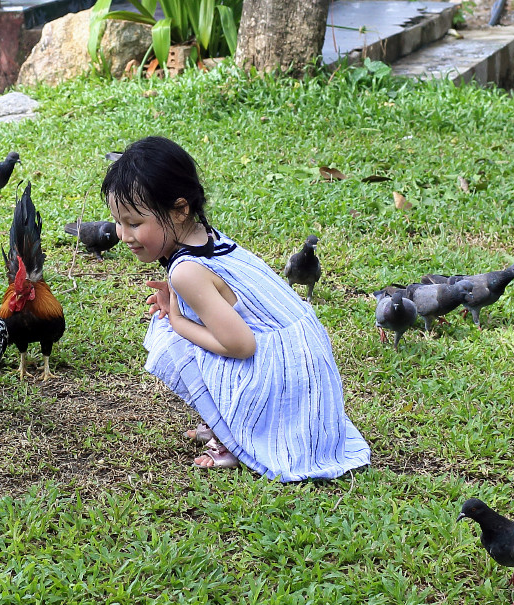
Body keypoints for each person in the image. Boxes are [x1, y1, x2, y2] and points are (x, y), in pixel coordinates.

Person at [104, 136, 369, 482]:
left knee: (172, 339)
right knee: (185, 332)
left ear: (180, 209)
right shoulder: (206, 236)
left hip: (282, 374)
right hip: (304, 366)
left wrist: (177, 319)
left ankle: (235, 438)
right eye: (118, 222)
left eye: (135, 223)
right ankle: (231, 421)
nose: (124, 235)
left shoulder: (185, 271)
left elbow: (241, 346)